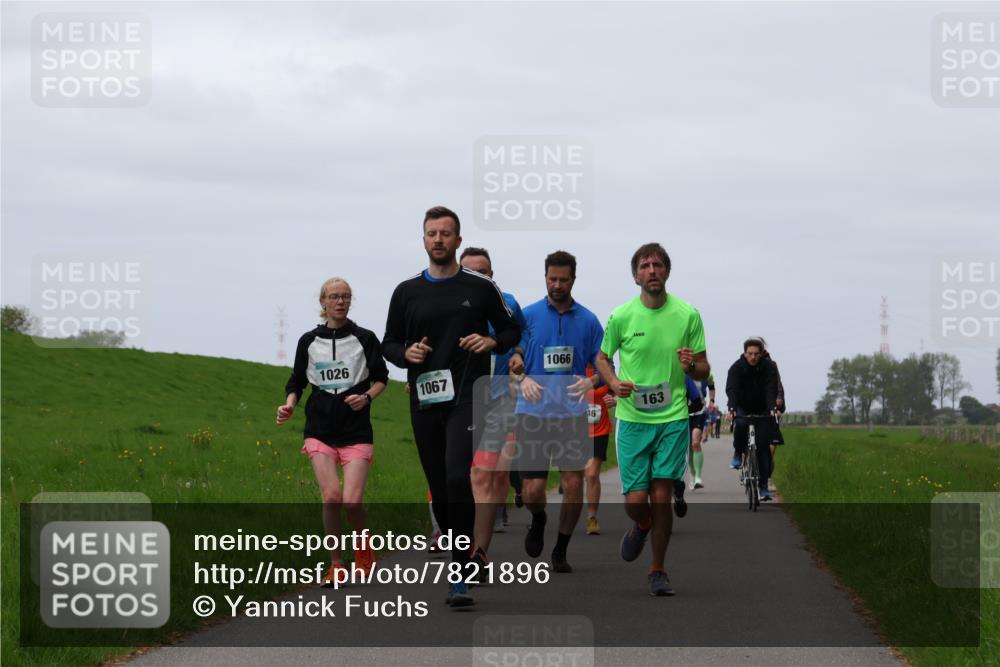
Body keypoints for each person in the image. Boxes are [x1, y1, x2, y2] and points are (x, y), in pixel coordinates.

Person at [382, 206, 521, 608]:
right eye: (432, 233)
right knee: (440, 487)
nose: (438, 239)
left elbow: (512, 328)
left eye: (446, 233)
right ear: (423, 239)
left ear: (458, 241)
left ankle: (459, 572)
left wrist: (491, 342)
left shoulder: (480, 288)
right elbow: (389, 343)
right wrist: (405, 353)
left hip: (468, 396)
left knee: (458, 476)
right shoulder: (406, 291)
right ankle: (458, 547)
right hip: (425, 398)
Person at [596, 242, 709, 596]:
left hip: (672, 418)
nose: (652, 270)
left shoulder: (688, 314)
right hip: (632, 419)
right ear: (635, 276)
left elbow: (704, 368)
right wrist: (614, 382)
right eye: (645, 266)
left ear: (667, 272)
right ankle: (641, 524)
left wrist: (692, 366)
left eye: (658, 265)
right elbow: (602, 358)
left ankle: (658, 569)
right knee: (636, 500)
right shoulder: (621, 316)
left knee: (661, 495)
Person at [277, 277, 388, 585]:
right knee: (331, 497)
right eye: (335, 296)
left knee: (352, 501)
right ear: (323, 302)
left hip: (356, 431)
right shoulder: (308, 341)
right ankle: (336, 564)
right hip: (319, 429)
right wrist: (289, 405)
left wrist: (366, 397)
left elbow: (381, 378)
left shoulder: (365, 338)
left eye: (346, 296)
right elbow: (296, 381)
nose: (340, 301)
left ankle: (363, 549)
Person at [508, 250, 604, 574]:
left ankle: (561, 547)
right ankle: (538, 518)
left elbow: (605, 367)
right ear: (545, 278)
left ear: (573, 279)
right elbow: (513, 359)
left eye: (563, 279)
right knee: (532, 490)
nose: (557, 285)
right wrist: (521, 375)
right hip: (532, 413)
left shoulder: (589, 321)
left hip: (571, 414)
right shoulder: (528, 316)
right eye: (552, 279)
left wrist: (591, 381)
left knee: (574, 483)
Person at [459, 247, 527, 567]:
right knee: (460, 476)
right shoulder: (446, 302)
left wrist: (519, 354)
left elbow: (523, 332)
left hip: (498, 399)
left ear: (492, 275)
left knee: (484, 472)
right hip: (459, 401)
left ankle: (478, 551)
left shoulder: (508, 303)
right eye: (469, 272)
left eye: (482, 272)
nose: (477, 278)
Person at [725, 338, 780, 501]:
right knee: (741, 423)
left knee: (763, 447)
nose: (753, 357)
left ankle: (763, 488)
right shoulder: (736, 368)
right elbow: (732, 389)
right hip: (742, 406)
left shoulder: (769, 367)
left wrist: (772, 408)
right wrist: (732, 409)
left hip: (762, 408)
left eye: (756, 354)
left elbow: (771, 389)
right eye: (750, 353)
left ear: (761, 354)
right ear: (744, 353)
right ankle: (738, 452)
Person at [584, 365, 617, 534]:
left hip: (599, 430)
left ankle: (592, 517)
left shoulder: (604, 367)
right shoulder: (574, 365)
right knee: (575, 478)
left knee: (592, 474)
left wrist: (614, 399)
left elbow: (618, 390)